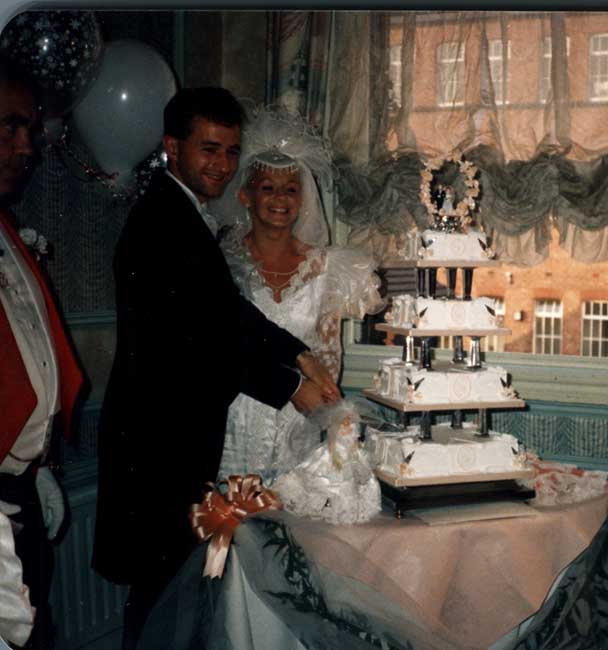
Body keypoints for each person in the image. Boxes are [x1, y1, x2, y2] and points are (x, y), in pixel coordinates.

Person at [91, 88, 339, 650]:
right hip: (155, 450)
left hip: (173, 446)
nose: (222, 166)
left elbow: (226, 311)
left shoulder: (182, 212)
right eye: (209, 149)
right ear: (172, 146)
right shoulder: (160, 221)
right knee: (160, 604)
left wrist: (297, 351)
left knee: (180, 601)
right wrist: (290, 386)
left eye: (230, 152)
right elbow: (198, 340)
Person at [214, 105, 384, 483]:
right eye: (268, 188)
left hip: (298, 423)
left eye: (291, 189)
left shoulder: (326, 268)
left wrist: (321, 408)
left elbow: (327, 357)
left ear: (303, 198)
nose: (280, 198)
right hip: (232, 421)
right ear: (245, 195)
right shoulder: (219, 261)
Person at [0, 58, 84, 649]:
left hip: (23, 487)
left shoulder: (8, 231)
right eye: (9, 126)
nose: (26, 146)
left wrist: (41, 465)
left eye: (29, 129)